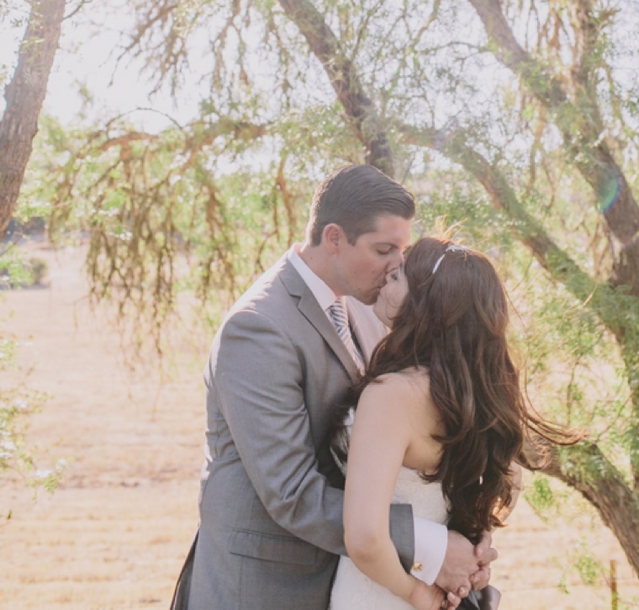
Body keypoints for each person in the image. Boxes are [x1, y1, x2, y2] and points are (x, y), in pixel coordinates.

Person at [185, 166, 496, 610]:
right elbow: (292, 493)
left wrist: (467, 536)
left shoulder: (371, 307)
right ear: (334, 238)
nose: (397, 266)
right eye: (384, 249)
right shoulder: (258, 329)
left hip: (353, 580)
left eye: (402, 251)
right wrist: (431, 546)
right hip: (269, 587)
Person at [330, 236, 571, 610]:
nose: (384, 281)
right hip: (449, 589)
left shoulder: (391, 394)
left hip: (382, 591)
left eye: (396, 278)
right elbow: (507, 477)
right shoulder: (481, 391)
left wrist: (414, 592)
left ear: (426, 304)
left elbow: (364, 538)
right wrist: (479, 548)